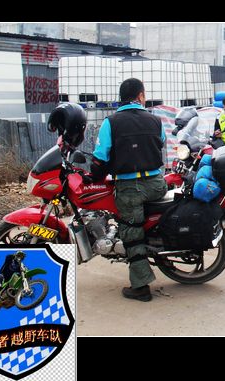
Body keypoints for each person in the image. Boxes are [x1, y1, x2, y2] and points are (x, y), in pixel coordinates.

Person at [90, 78, 168, 302]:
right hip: (156, 184)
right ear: (140, 96)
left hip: (131, 187)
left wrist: (92, 176)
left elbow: (100, 157)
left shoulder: (111, 123)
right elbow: (159, 143)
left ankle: (141, 286)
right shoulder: (155, 120)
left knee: (131, 232)